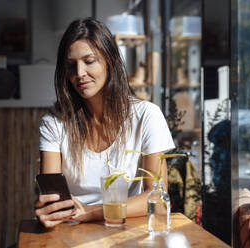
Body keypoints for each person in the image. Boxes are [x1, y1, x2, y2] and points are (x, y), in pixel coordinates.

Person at [34, 18, 175, 228]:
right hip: (72, 231)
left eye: (89, 61)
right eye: (71, 65)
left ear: (110, 61)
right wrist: (48, 211)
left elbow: (158, 199)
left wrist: (91, 212)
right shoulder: (54, 123)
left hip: (126, 231)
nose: (79, 73)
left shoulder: (147, 116)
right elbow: (52, 198)